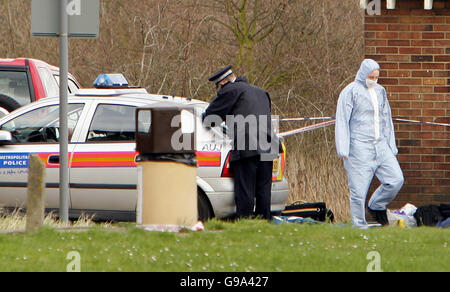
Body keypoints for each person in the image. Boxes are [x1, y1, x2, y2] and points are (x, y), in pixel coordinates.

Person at [335, 59, 404, 229]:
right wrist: (343, 150)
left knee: (396, 179)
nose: (373, 80)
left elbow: (386, 118)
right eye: (371, 76)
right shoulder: (350, 91)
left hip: (380, 146)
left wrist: (390, 145)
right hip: (358, 148)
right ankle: (359, 225)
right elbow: (342, 120)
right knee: (358, 191)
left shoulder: (380, 91)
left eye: (376, 77)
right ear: (363, 73)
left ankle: (376, 204)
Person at [202, 65, 277, 220]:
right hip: (269, 145)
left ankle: (245, 224)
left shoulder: (231, 90)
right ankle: (264, 226)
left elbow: (210, 117)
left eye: (218, 88)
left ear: (222, 83)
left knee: (245, 191)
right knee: (264, 191)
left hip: (247, 145)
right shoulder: (261, 92)